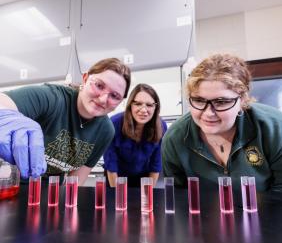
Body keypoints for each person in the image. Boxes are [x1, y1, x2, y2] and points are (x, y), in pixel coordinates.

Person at [162, 53, 282, 192]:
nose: (208, 113)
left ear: (242, 100)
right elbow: (178, 197)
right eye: (199, 100)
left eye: (221, 102)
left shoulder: (274, 129)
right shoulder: (175, 138)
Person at [0, 58, 131, 185]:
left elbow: (76, 181)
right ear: (85, 79)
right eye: (99, 85)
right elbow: (3, 101)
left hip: (50, 191)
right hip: (10, 184)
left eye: (114, 96)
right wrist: (6, 117)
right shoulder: (52, 98)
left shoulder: (105, 131)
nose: (103, 99)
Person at [103, 83, 167, 187]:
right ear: (130, 105)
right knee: (117, 202)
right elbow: (111, 165)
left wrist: (148, 195)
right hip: (116, 177)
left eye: (149, 105)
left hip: (144, 178)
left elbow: (156, 165)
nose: (143, 110)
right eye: (138, 104)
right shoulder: (113, 124)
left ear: (156, 107)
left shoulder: (161, 126)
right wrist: (117, 196)